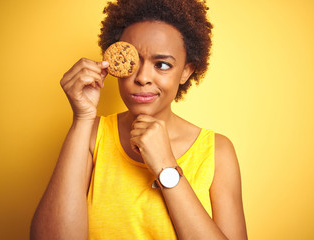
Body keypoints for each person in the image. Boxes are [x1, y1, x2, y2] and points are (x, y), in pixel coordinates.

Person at [30, 0, 247, 239]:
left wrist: (165, 166)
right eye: (133, 64)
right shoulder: (92, 135)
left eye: (162, 65)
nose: (142, 77)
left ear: (186, 71)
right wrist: (82, 118)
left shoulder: (217, 151)